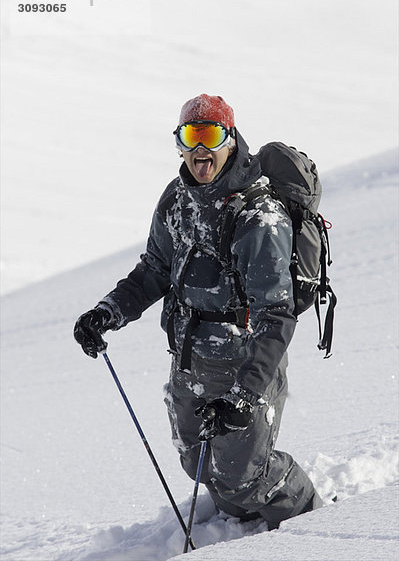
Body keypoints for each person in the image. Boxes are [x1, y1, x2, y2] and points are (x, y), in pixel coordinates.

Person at [74, 93, 322, 529]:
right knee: (199, 463)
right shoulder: (177, 200)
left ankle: (312, 520)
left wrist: (247, 392)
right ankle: (248, 525)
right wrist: (107, 312)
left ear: (230, 139)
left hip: (245, 359)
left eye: (211, 135)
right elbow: (154, 269)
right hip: (189, 355)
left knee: (245, 475)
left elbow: (276, 315)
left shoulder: (258, 217)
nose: (201, 150)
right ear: (180, 142)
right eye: (192, 136)